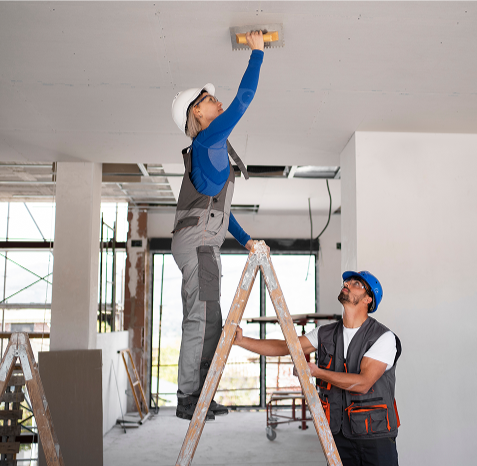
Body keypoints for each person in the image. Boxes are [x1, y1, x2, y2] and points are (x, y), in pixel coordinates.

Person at [169, 31, 266, 421]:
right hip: (199, 244)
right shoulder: (208, 140)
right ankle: (189, 397)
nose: (219, 102)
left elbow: (220, 213)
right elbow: (242, 101)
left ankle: (200, 393)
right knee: (202, 319)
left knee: (209, 319)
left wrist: (243, 239)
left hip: (199, 240)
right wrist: (257, 54)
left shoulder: (209, 148)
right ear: (198, 115)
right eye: (210, 101)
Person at [235, 270, 401, 466]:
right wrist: (241, 341)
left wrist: (316, 372)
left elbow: (363, 383)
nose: (347, 283)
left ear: (368, 299)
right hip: (338, 434)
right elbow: (285, 346)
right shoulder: (325, 333)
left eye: (356, 283)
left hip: (375, 436)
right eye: (347, 281)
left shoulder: (383, 337)